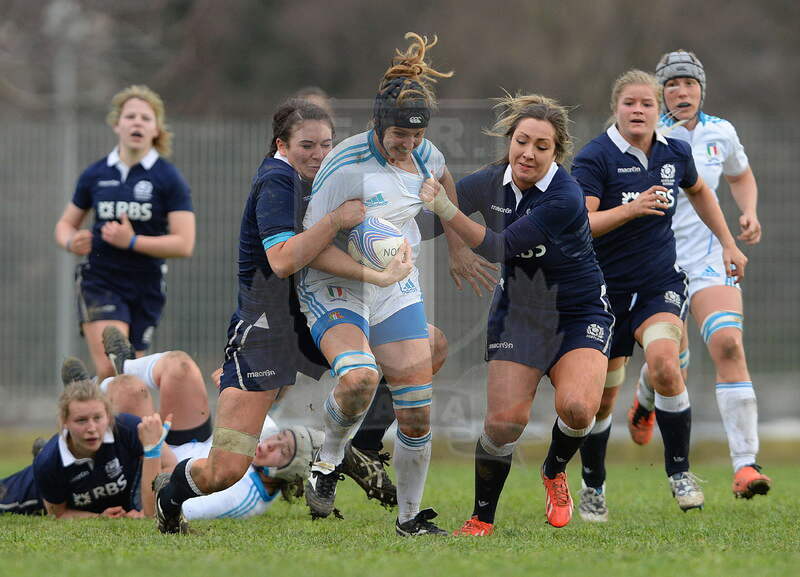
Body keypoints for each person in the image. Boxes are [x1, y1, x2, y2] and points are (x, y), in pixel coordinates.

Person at [152, 99, 410, 534]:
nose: (318, 153)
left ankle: (347, 448)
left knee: (421, 348)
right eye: (307, 145)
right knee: (226, 469)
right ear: (281, 144)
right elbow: (283, 260)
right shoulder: (277, 180)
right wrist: (338, 221)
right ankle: (170, 493)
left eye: (327, 144)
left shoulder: (324, 178)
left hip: (313, 316)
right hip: (265, 332)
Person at [419, 93, 613, 532]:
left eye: (541, 146)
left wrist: (445, 208)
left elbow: (498, 245)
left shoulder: (565, 195)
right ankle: (481, 518)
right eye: (522, 141)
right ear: (510, 140)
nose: (528, 152)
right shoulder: (490, 181)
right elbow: (425, 222)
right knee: (504, 422)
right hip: (519, 314)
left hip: (579, 312)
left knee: (579, 408)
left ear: (556, 153)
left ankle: (553, 469)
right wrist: (366, 226)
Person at [570, 69, 748, 521]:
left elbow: (702, 191)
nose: (638, 111)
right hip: (604, 293)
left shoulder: (675, 153)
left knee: (667, 363)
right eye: (630, 103)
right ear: (617, 107)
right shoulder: (596, 157)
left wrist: (728, 242)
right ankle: (593, 485)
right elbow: (582, 225)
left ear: (658, 110)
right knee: (602, 399)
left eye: (647, 104)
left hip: (658, 286)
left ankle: (680, 473)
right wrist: (632, 208)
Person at [297, 32, 456, 536]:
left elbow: (444, 186)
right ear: (377, 123)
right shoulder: (343, 166)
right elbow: (310, 249)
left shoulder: (428, 155)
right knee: (361, 378)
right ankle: (328, 460)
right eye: (398, 136)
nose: (407, 146)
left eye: (416, 136)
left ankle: (409, 519)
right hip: (333, 282)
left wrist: (453, 236)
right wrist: (371, 271)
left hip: (392, 287)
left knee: (417, 412)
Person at [624, 50, 770, 500]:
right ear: (659, 93)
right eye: (671, 84)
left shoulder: (720, 132)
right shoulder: (648, 135)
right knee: (670, 365)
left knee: (728, 343)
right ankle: (647, 394)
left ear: (701, 88)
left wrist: (747, 213)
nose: (680, 91)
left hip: (709, 260)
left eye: (688, 82)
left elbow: (740, 176)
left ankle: (745, 465)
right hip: (660, 265)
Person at [54, 85, 195, 381]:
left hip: (146, 285)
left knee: (128, 378)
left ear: (156, 128)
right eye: (130, 116)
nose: (137, 123)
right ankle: (86, 408)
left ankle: (85, 399)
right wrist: (71, 240)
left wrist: (131, 241)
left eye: (146, 118)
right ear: (117, 124)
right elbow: (64, 224)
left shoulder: (169, 178)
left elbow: (184, 243)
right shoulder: (96, 174)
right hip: (100, 280)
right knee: (113, 364)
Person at [0, 375, 166, 518]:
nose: (91, 428)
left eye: (98, 418)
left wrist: (141, 510)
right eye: (81, 420)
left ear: (108, 416)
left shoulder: (129, 428)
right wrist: (99, 518)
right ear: (64, 422)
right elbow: (59, 514)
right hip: (26, 493)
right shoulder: (48, 462)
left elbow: (169, 465)